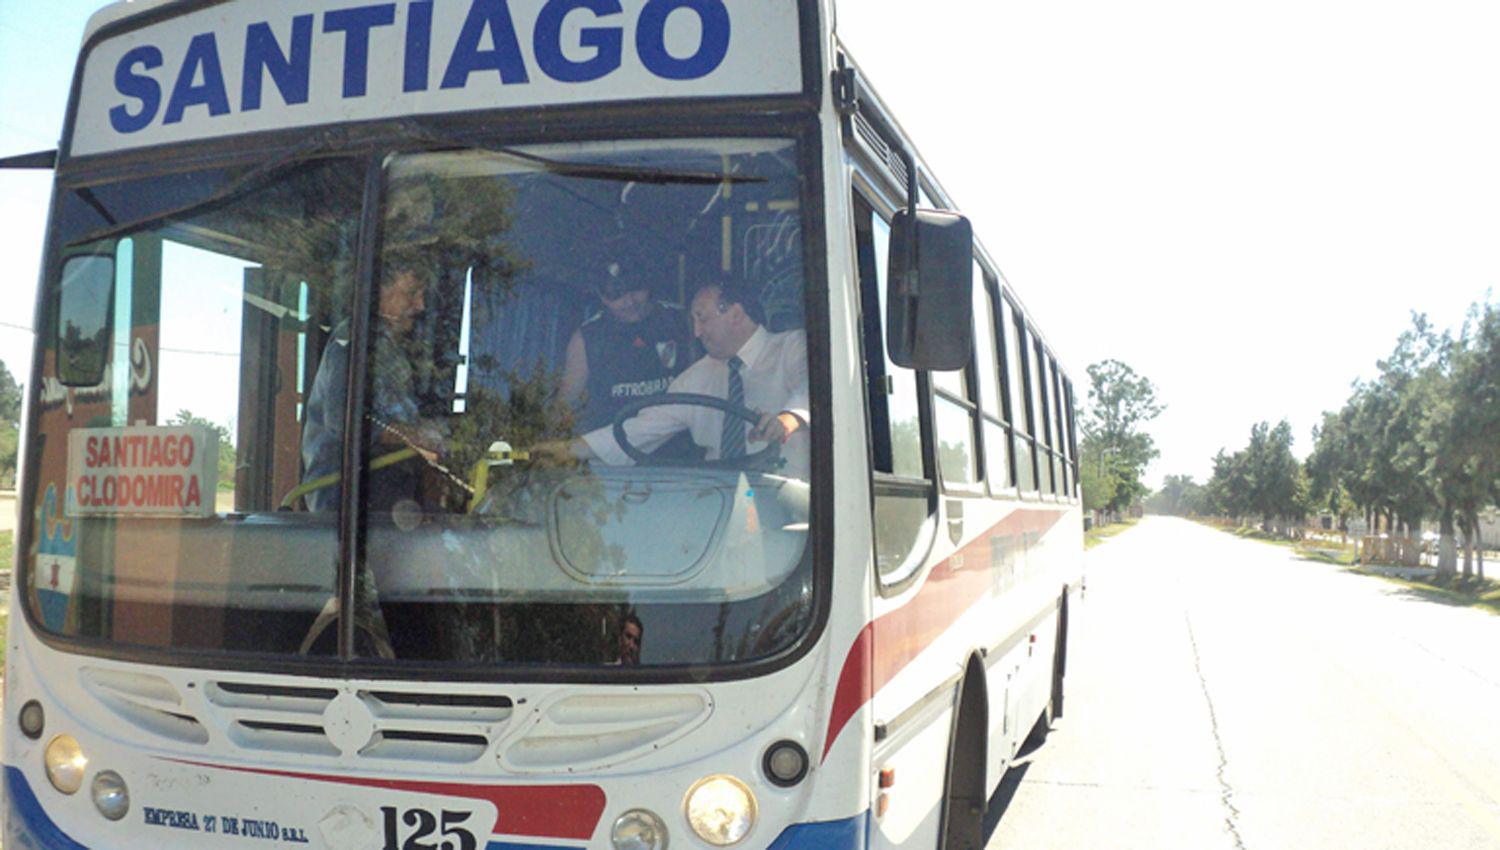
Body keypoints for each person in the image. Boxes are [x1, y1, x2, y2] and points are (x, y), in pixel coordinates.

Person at [538, 282, 808, 466]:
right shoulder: (697, 377)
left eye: (703, 319)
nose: (697, 332)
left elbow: (818, 388)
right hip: (720, 509)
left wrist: (788, 419)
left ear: (736, 314)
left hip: (794, 511)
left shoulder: (793, 347)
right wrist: (562, 451)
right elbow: (638, 432)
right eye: (693, 321)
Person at [299, 260, 447, 512]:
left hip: (385, 496)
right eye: (412, 293)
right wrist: (416, 436)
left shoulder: (390, 348)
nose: (420, 305)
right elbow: (343, 419)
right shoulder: (354, 343)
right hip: (348, 504)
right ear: (379, 292)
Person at [559, 262, 694, 432]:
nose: (630, 302)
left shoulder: (682, 321)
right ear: (603, 297)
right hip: (613, 448)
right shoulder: (587, 338)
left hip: (678, 447)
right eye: (617, 295)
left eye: (636, 289)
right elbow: (566, 403)